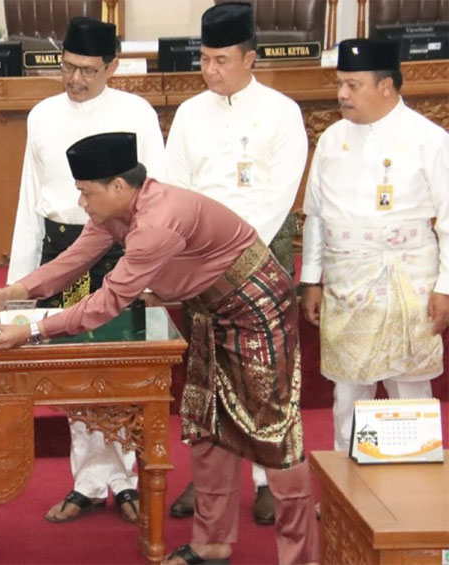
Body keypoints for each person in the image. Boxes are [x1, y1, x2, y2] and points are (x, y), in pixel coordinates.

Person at [0, 132, 319, 565]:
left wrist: (33, 331)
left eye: (86, 192)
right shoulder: (115, 212)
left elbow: (109, 301)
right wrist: (13, 292)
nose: (81, 202)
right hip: (207, 309)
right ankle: (212, 543)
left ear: (119, 186)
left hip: (256, 306)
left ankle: (302, 556)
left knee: (275, 434)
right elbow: (73, 261)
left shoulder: (157, 222)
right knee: (207, 425)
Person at [7, 15, 165, 524]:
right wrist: (20, 279)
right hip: (64, 253)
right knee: (75, 366)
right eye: (68, 67)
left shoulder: (136, 113)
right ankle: (87, 482)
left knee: (121, 364)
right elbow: (30, 199)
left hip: (121, 249)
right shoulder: (42, 116)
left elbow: (157, 194)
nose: (75, 79)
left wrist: (153, 271)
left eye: (88, 70)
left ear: (112, 67)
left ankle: (126, 480)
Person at [163, 1, 308, 525]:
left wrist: (233, 258)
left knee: (264, 380)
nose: (210, 70)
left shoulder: (282, 112)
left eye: (221, 60)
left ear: (250, 58)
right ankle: (210, 484)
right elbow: (175, 189)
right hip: (200, 266)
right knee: (207, 377)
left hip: (260, 263)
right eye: (204, 59)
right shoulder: (188, 114)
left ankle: (268, 477)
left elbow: (279, 195)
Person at [300, 38, 449, 452]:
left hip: (408, 280)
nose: (342, 94)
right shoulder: (331, 139)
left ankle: (415, 480)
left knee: (410, 386)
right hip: (347, 281)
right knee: (348, 390)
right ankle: (345, 481)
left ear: (385, 86)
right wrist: (311, 280)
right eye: (340, 84)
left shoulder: (428, 138)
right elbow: (316, 215)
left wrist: (446, 287)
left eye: (353, 85)